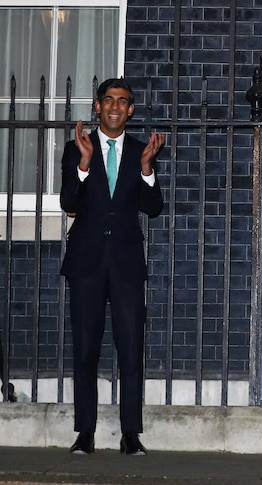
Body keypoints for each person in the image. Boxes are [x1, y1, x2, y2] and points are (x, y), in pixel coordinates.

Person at [60, 78, 165, 456]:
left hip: (125, 264)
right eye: (109, 100)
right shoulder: (77, 149)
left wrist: (148, 170)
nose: (116, 107)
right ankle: (84, 433)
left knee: (131, 348)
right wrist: (85, 166)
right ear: (98, 107)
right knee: (85, 349)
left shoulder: (140, 151)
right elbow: (68, 201)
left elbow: (152, 208)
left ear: (130, 109)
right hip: (86, 263)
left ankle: (130, 434)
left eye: (123, 101)